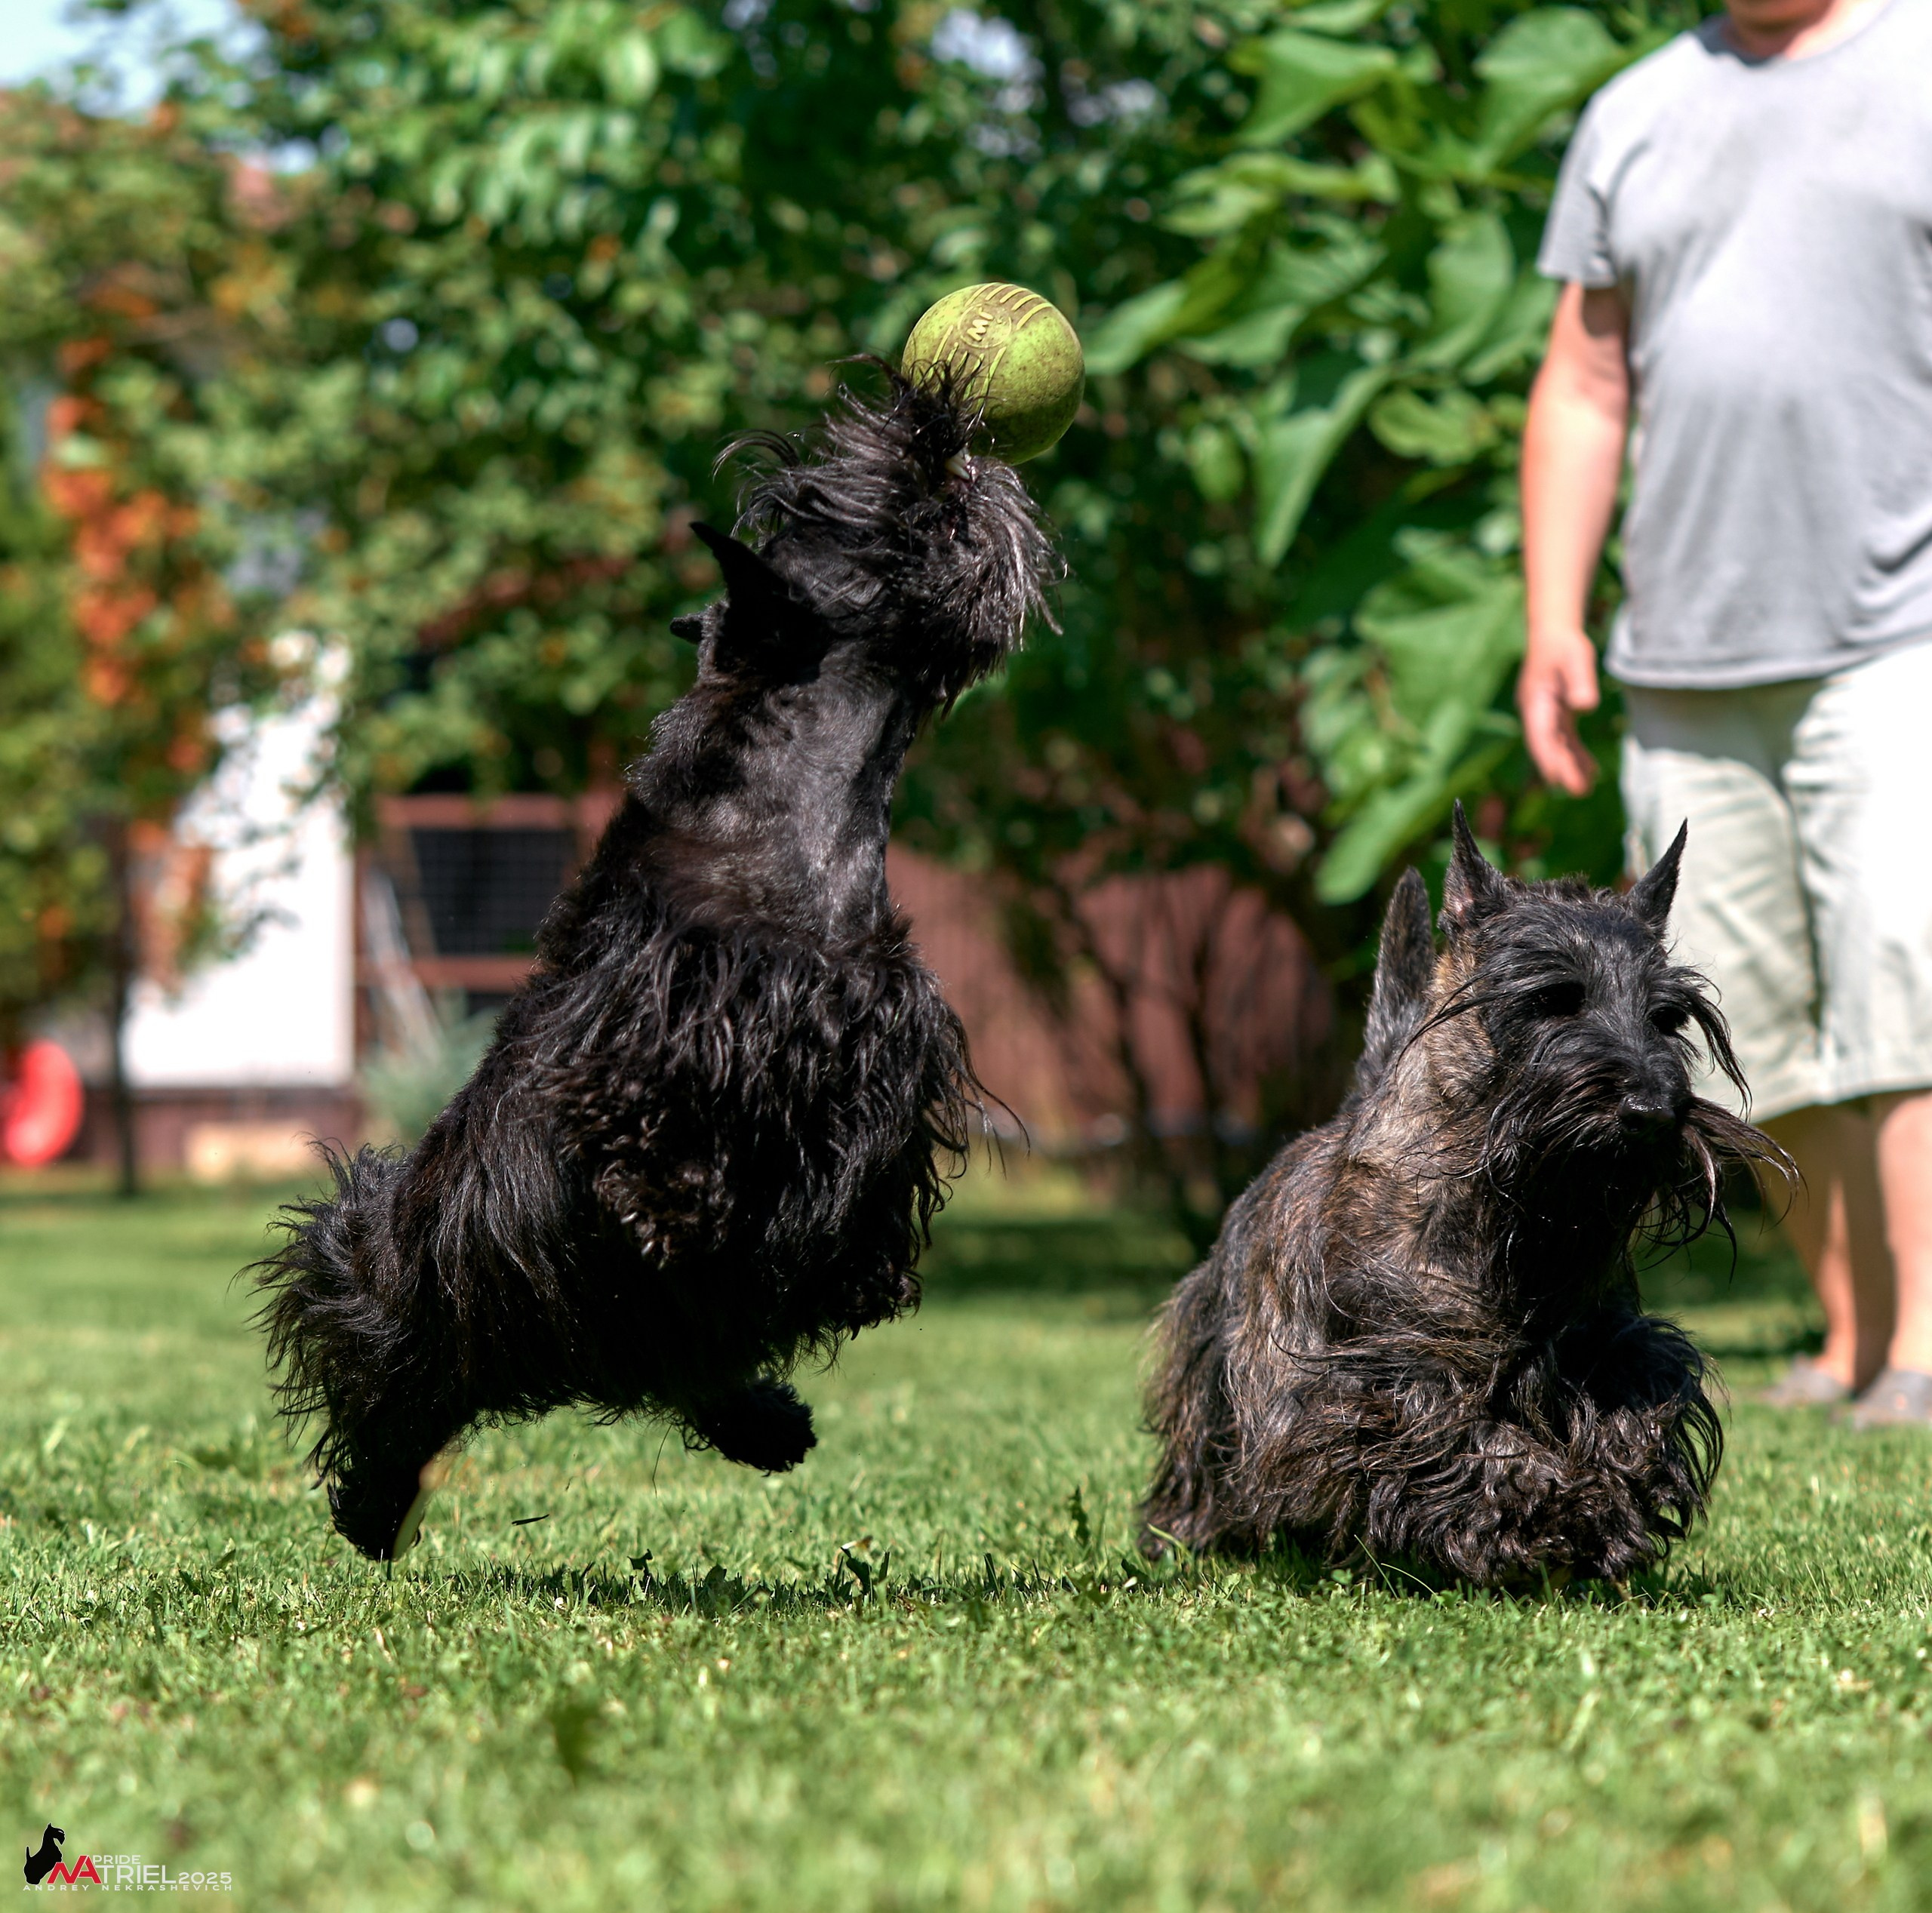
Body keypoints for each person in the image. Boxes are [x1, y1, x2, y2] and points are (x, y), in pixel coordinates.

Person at [1518, 0, 1932, 1422]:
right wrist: (1553, 618)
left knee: (1909, 978)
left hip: (1900, 628)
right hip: (1683, 656)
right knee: (1751, 1020)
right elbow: (1583, 378)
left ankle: (1927, 1348)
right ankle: (1850, 1338)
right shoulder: (1634, 111)